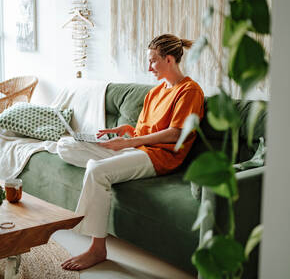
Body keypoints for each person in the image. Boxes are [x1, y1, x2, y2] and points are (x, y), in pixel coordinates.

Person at [58, 33, 205, 271]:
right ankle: (112, 170)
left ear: (169, 59)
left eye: (153, 61)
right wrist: (123, 131)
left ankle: (97, 249)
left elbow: (176, 134)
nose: (148, 68)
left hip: (159, 156)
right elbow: (139, 130)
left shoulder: (189, 91)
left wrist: (128, 144)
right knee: (65, 146)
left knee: (96, 170)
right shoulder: (155, 92)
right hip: (137, 149)